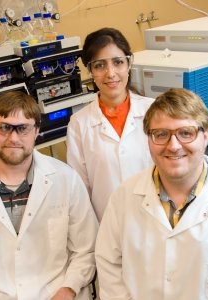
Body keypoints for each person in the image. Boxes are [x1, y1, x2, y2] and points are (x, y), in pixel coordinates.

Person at [95, 88, 208, 299]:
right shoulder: (123, 198)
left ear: (206, 135)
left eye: (186, 133)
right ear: (148, 140)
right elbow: (110, 269)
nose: (173, 146)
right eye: (161, 134)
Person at [0, 91, 98, 299]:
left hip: (57, 292)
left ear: (36, 131)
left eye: (23, 128)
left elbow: (85, 250)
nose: (13, 138)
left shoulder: (65, 179)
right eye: (4, 127)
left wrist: (68, 289)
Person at [66, 27, 154, 220]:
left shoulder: (154, 112)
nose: (110, 73)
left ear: (129, 64)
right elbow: (80, 191)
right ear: (90, 70)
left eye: (118, 62)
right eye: (99, 65)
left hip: (154, 221)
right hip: (106, 226)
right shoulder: (79, 124)